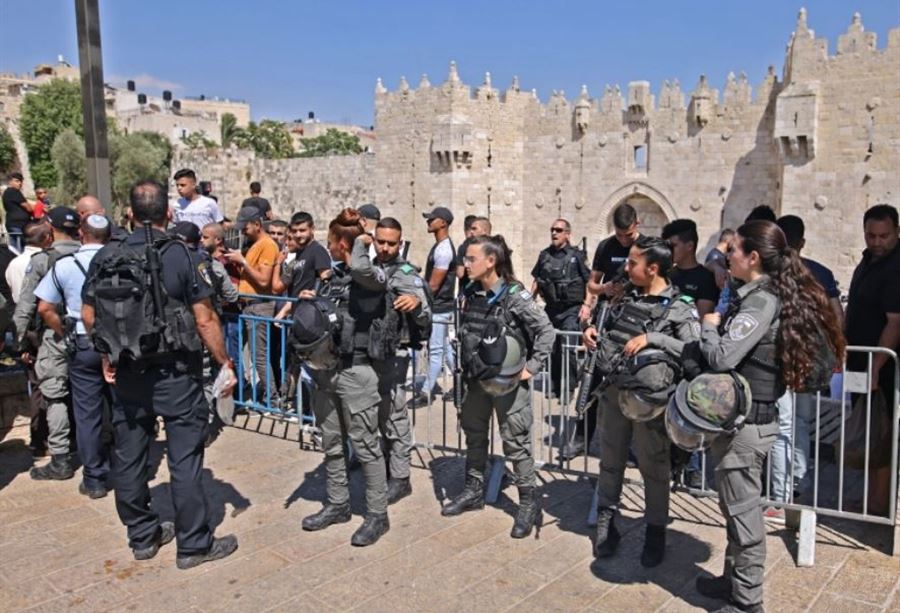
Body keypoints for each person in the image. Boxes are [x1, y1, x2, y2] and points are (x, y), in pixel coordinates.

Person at [82, 179, 238, 569]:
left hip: (129, 373)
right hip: (176, 374)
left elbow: (88, 315)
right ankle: (193, 546)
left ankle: (143, 537)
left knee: (130, 456)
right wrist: (223, 361)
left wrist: (107, 354)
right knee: (184, 460)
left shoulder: (105, 255)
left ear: (130, 214)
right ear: (169, 213)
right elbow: (204, 319)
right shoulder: (181, 256)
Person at [692, 220, 844, 612]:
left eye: (734, 250)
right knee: (734, 507)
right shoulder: (754, 294)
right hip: (742, 420)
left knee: (745, 517)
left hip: (749, 426)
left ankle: (748, 601)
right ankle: (732, 581)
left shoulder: (761, 301)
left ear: (753, 257)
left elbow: (723, 356)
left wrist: (708, 328)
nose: (727, 254)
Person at [587, 236, 700, 567]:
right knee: (611, 459)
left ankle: (655, 532)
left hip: (650, 403)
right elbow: (610, 332)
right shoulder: (625, 297)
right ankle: (608, 523)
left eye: (633, 262)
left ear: (653, 269)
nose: (626, 266)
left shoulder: (680, 306)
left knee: (654, 467)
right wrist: (592, 333)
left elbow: (695, 352)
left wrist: (655, 338)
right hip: (614, 392)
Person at [442, 235, 555, 539]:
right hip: (476, 380)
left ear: (491, 261)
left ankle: (528, 505)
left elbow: (546, 331)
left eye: (471, 258)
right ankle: (473, 491)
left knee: (515, 443)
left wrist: (532, 368)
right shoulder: (470, 291)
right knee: (474, 436)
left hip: (507, 384)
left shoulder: (515, 296)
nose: (465, 264)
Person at [298, 208, 390, 546]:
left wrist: (363, 242)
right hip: (327, 372)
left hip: (356, 371)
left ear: (339, 243)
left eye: (330, 242)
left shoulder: (371, 276)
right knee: (332, 443)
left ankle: (377, 514)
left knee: (366, 446)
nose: (328, 247)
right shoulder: (334, 278)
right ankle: (337, 504)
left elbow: (363, 269)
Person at [353, 217, 431, 503]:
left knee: (395, 414)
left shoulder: (407, 272)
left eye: (391, 243)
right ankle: (379, 463)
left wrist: (418, 304)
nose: (385, 248)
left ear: (400, 243)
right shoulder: (370, 268)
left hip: (394, 354)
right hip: (367, 351)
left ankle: (400, 476)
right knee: (372, 413)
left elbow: (425, 315)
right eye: (381, 241)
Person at [34, 214, 112, 497]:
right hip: (119, 344)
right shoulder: (123, 261)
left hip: (83, 342)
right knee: (123, 409)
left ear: (82, 234)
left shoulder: (66, 265)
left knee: (87, 413)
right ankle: (126, 469)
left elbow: (44, 308)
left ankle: (94, 479)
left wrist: (62, 331)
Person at [562, 203, 640, 461]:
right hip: (608, 319)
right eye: (619, 235)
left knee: (631, 385)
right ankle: (581, 438)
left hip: (636, 322)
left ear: (637, 225)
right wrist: (602, 290)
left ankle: (630, 447)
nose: (623, 240)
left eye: (627, 235)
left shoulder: (648, 247)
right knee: (591, 381)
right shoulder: (606, 247)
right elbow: (592, 285)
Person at [15, 207, 82, 480]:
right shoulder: (91, 254)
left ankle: (61, 458)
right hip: (89, 334)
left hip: (55, 337)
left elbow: (27, 305)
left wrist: (20, 341)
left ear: (50, 228)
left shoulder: (43, 261)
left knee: (55, 397)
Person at [844, 204, 900, 515]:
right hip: (861, 364)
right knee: (867, 432)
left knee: (882, 435)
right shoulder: (869, 260)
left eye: (884, 236)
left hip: (884, 368)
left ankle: (879, 503)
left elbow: (895, 321)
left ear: (897, 233)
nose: (876, 242)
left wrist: (877, 366)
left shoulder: (896, 267)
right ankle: (869, 498)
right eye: (871, 235)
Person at [530, 218, 589, 401]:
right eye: (552, 230)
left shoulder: (577, 256)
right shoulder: (544, 255)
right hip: (551, 308)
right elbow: (537, 280)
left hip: (572, 308)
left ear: (567, 234)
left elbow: (589, 282)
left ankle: (568, 387)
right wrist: (529, 302)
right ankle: (555, 384)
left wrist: (586, 306)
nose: (554, 233)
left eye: (558, 230)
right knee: (552, 347)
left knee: (568, 346)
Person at [225, 206, 278, 393]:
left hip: (259, 306)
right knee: (254, 355)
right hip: (249, 306)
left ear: (257, 224)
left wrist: (243, 262)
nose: (242, 232)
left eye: (245, 228)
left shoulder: (268, 245)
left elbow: (263, 280)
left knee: (259, 356)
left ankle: (271, 396)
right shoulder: (254, 245)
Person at [412, 206, 456, 406]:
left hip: (439, 307)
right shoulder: (440, 246)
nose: (428, 222)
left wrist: (418, 299)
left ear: (443, 223)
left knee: (436, 350)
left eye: (432, 219)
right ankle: (462, 383)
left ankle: (426, 392)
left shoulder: (444, 250)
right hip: (441, 307)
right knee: (445, 348)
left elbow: (434, 285)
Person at [7, 221, 51, 304]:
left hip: (18, 311)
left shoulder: (13, 263)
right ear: (47, 237)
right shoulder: (47, 260)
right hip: (41, 312)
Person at [456, 216, 491, 289]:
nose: (471, 232)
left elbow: (460, 273)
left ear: (484, 230)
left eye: (474, 229)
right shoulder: (467, 246)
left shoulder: (496, 248)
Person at [3, 172, 33, 252]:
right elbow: (29, 208)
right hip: (18, 226)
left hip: (14, 225)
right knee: (20, 250)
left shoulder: (8, 192)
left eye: (21, 181)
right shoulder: (13, 191)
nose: (20, 183)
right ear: (10, 181)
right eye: (17, 181)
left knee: (14, 251)